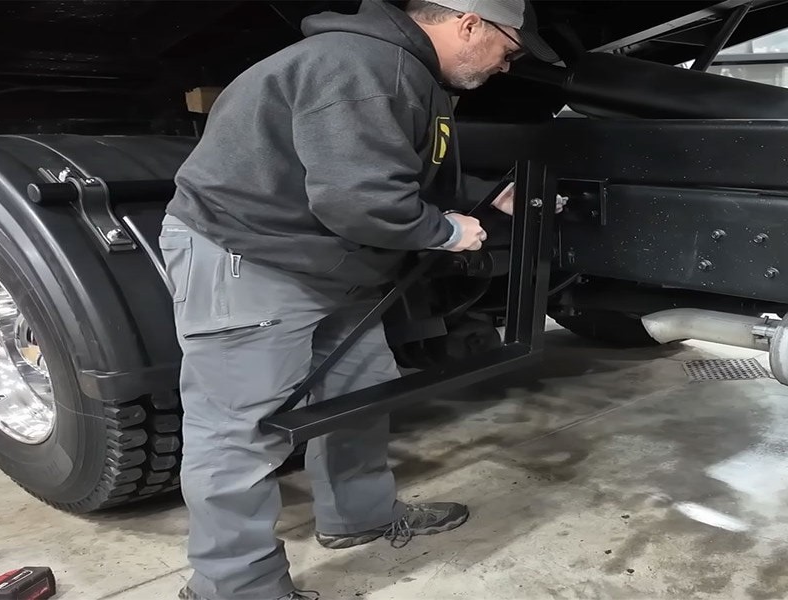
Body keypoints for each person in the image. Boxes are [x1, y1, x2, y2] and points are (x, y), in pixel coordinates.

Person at [158, 1, 559, 598]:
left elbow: (392, 172)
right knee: (239, 433)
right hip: (251, 254)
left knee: (361, 395)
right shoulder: (362, 67)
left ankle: (359, 516)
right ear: (470, 23)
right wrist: (445, 231)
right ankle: (235, 586)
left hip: (328, 259)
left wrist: (483, 197)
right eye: (511, 48)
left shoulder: (403, 71)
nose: (508, 64)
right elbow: (356, 198)